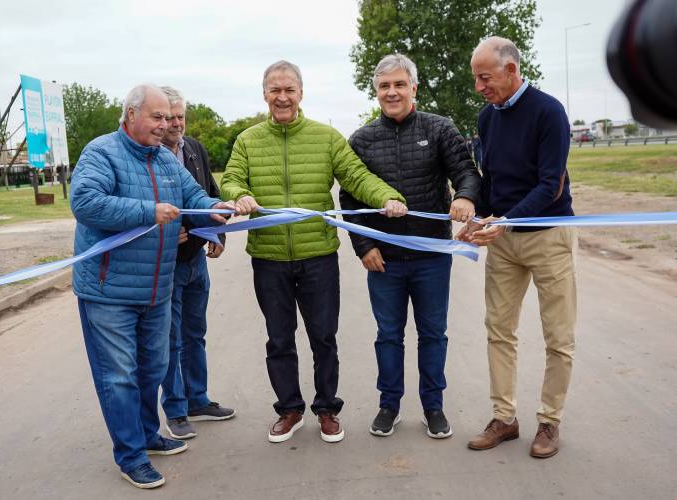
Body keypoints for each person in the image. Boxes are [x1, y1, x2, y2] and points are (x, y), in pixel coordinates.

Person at [221, 60, 408, 444]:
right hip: (269, 258)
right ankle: (290, 409)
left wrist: (387, 196)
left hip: (318, 256)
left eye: (290, 89)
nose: (283, 97)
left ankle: (326, 409)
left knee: (324, 336)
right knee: (279, 338)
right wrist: (238, 194)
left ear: (301, 93)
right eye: (275, 90)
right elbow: (232, 177)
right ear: (265, 95)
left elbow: (356, 176)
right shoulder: (247, 140)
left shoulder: (326, 138)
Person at [70, 84, 234, 489]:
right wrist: (148, 212)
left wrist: (214, 209)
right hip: (109, 291)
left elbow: (193, 193)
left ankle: (146, 434)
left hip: (156, 289)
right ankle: (130, 455)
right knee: (120, 375)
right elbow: (85, 202)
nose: (165, 126)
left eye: (168, 118)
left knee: (154, 367)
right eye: (157, 117)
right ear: (130, 115)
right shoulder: (101, 152)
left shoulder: (164, 158)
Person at [339, 54, 480, 439]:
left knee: (433, 333)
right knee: (388, 335)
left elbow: (466, 172)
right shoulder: (362, 139)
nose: (392, 92)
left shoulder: (439, 128)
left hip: (432, 255)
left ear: (413, 88)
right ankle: (389, 405)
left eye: (400, 84)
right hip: (384, 259)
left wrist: (466, 197)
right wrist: (364, 245)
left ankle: (434, 407)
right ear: (376, 92)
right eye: (385, 86)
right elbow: (349, 201)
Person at [457, 37, 577, 459]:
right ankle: (504, 418)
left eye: (484, 77)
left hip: (548, 238)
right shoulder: (487, 118)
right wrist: (479, 218)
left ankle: (549, 421)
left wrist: (505, 220)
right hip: (504, 242)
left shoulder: (549, 112)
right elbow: (492, 182)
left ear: (511, 70)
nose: (479, 87)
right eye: (476, 78)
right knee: (499, 331)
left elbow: (551, 184)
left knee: (558, 336)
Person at [159, 86, 235, 441]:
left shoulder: (195, 150)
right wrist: (159, 235)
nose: (176, 124)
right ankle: (175, 409)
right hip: (165, 265)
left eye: (180, 117)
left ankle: (197, 399)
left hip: (196, 263)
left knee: (195, 334)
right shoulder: (148, 156)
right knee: (170, 340)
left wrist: (216, 235)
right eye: (169, 117)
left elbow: (211, 196)